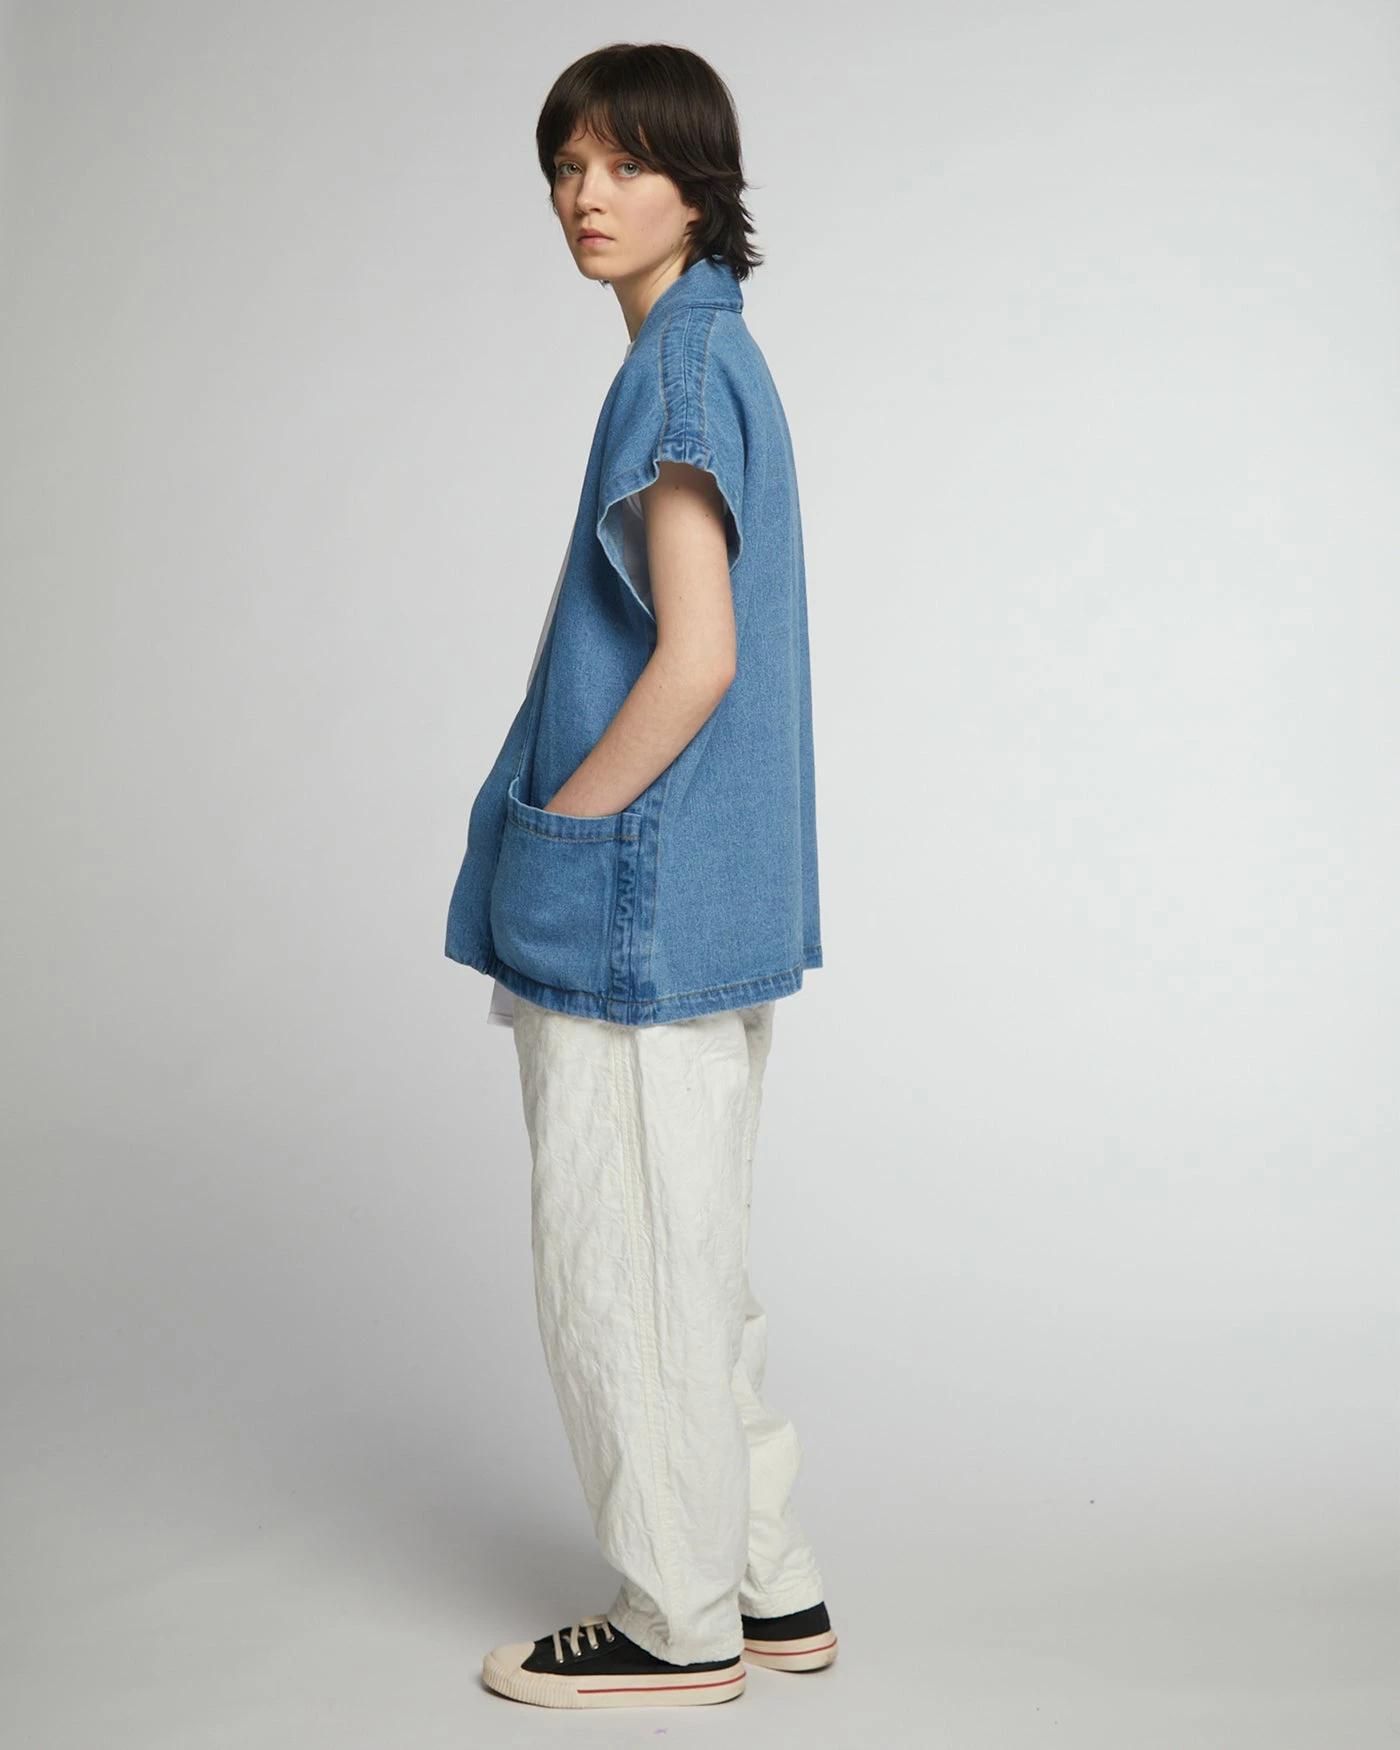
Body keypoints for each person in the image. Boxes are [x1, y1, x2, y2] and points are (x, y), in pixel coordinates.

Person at [444, 42, 835, 1710]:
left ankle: (676, 1622)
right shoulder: (715, 351)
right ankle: (767, 1588)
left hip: (636, 915)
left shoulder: (677, 373)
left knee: (626, 1269)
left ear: (698, 184)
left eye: (624, 164)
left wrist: (571, 827)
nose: (586, 196)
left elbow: (696, 656)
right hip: (700, 912)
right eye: (566, 166)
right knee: (697, 1264)